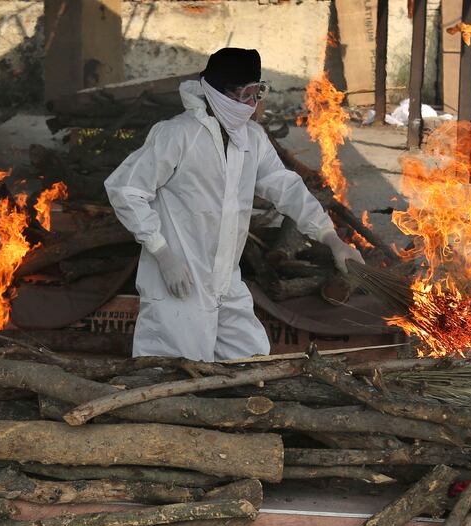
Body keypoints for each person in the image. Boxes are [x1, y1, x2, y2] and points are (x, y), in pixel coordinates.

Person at [104, 48, 361, 360]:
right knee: (176, 370)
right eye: (244, 94)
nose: (251, 105)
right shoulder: (177, 134)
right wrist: (162, 252)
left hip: (226, 279)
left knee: (250, 357)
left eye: (257, 93)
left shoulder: (251, 138)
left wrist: (332, 239)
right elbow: (126, 190)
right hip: (179, 277)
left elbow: (287, 188)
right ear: (215, 90)